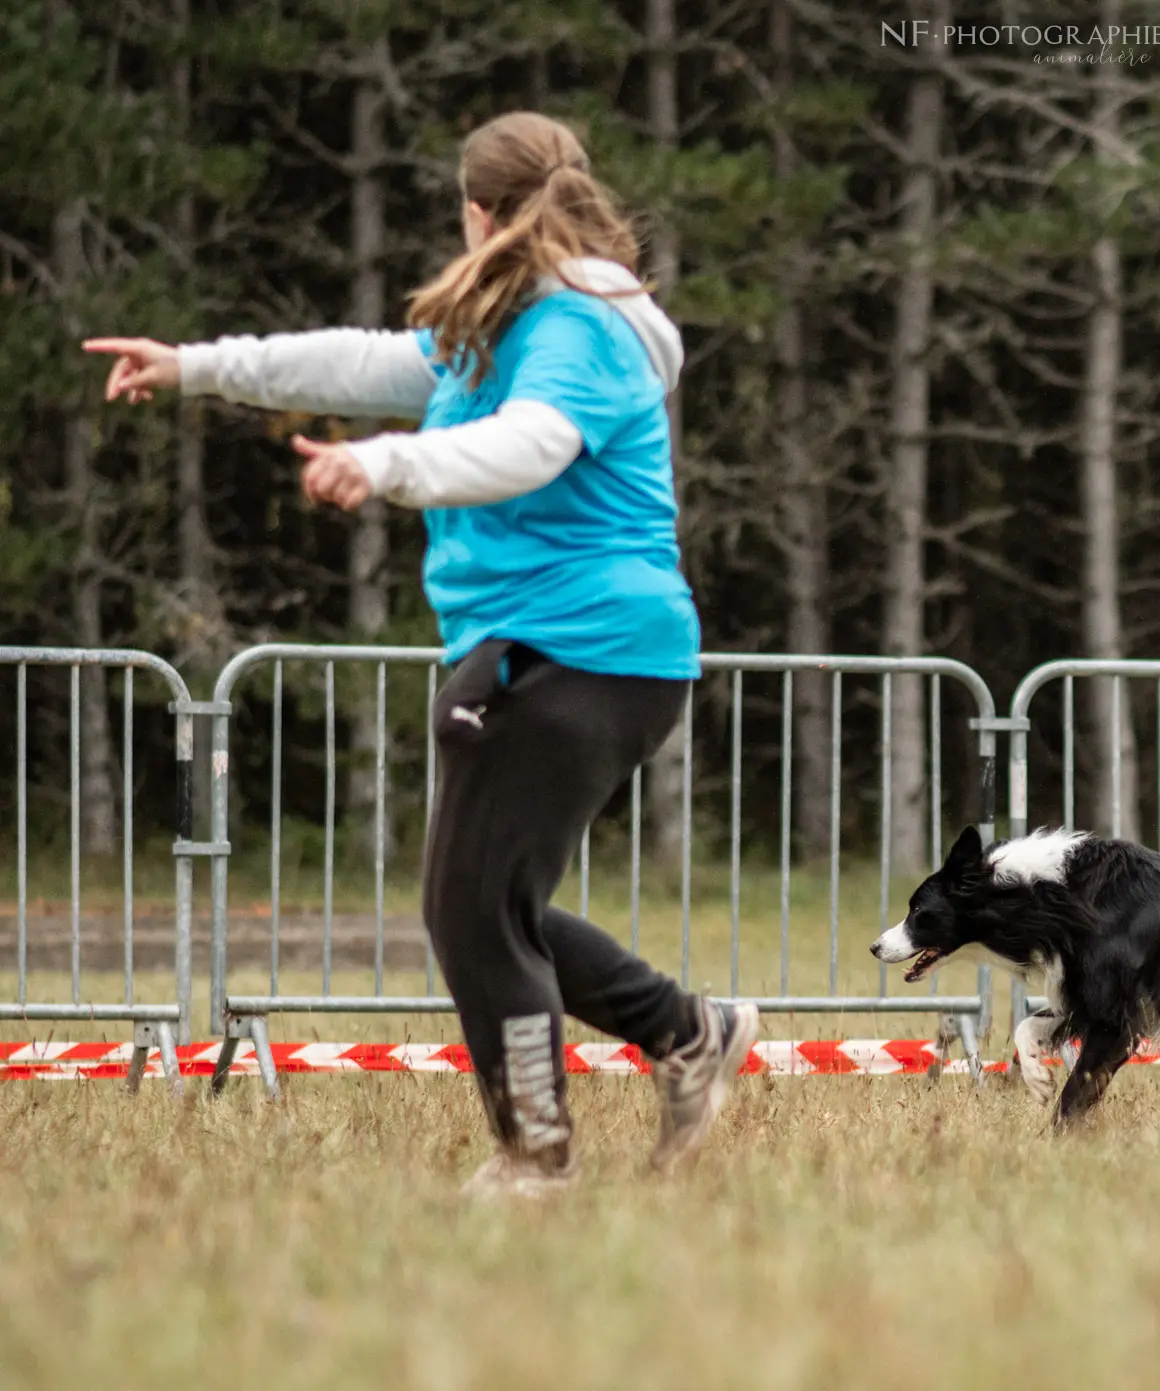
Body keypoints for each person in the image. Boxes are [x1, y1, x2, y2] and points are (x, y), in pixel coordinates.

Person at [85, 111, 757, 1198]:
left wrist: (393, 466)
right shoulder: (515, 319)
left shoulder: (578, 322)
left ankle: (538, 1151)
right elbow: (367, 359)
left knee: (467, 909)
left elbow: (534, 444)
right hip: (575, 647)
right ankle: (688, 1030)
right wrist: (197, 365)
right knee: (493, 903)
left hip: (575, 645)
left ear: (478, 212)